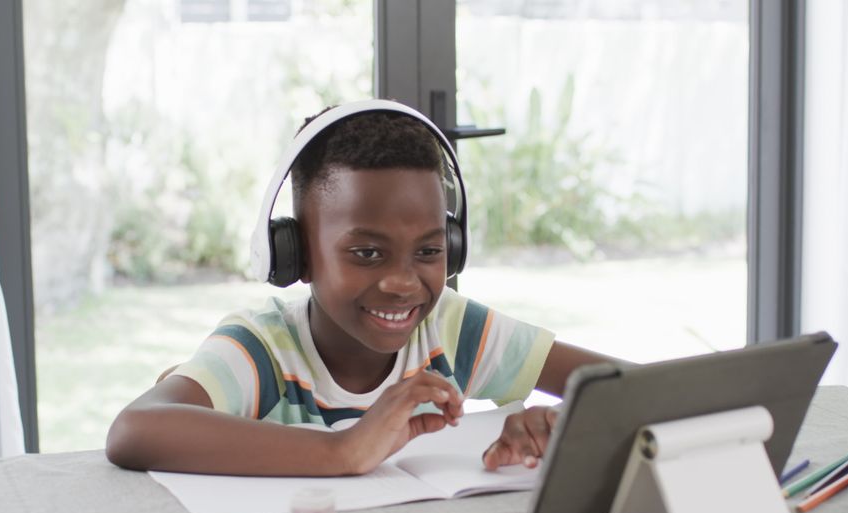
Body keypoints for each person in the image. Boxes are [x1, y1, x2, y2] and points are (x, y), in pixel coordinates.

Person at [105, 100, 620, 477]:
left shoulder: (454, 330)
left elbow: (641, 392)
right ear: (296, 255)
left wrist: (562, 420)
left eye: (429, 251)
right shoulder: (263, 349)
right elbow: (134, 430)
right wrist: (345, 450)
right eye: (367, 253)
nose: (402, 283)